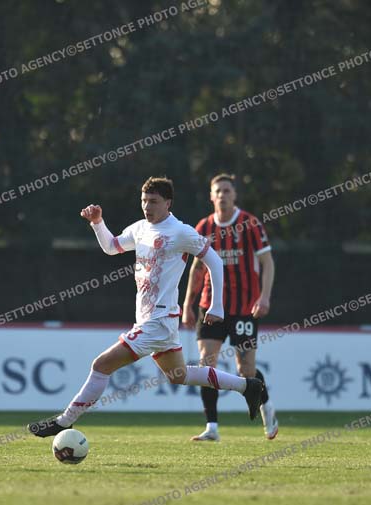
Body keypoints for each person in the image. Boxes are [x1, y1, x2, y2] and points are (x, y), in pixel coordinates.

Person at [28, 177, 266, 438]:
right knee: (179, 376)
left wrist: (217, 306)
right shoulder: (140, 228)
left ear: (168, 203)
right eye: (143, 200)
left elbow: (215, 261)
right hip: (152, 320)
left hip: (158, 321)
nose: (146, 206)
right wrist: (97, 223)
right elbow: (111, 247)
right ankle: (248, 386)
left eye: (153, 201)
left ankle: (64, 421)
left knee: (101, 365)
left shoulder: (180, 231)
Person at [183, 173, 277, 442]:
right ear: (211, 196)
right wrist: (188, 303)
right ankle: (211, 427)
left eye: (227, 190)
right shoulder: (203, 227)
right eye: (218, 191)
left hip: (244, 307)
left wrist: (265, 297)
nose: (222, 195)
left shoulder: (249, 223)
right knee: (206, 364)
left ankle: (266, 406)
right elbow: (197, 268)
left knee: (245, 370)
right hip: (210, 306)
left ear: (234, 195)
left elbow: (268, 262)